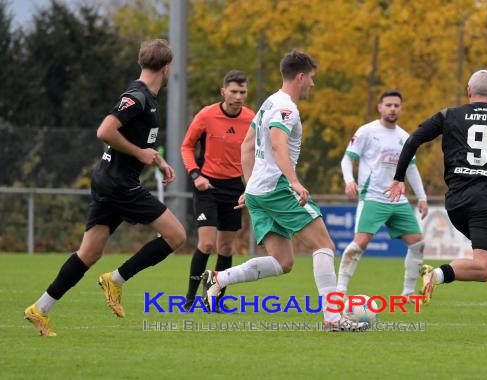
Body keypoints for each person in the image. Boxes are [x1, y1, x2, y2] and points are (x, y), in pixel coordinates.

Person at [24, 39, 186, 336]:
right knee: (177, 235)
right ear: (167, 68)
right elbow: (105, 131)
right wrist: (140, 154)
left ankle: (40, 309)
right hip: (119, 185)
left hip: (109, 181)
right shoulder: (137, 96)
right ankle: (116, 279)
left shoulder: (145, 97)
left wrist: (157, 160)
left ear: (142, 63)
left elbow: (136, 141)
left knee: (88, 253)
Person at [201, 50, 368, 331]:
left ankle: (220, 279)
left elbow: (246, 146)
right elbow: (278, 144)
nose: (312, 85)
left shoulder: (269, 102)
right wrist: (293, 181)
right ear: (300, 77)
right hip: (277, 187)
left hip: (259, 190)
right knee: (324, 245)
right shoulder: (286, 108)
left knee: (283, 261)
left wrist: (250, 185)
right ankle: (333, 319)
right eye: (312, 79)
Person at [385, 69, 487, 337]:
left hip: (457, 202)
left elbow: (413, 140)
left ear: (469, 92)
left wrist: (399, 177)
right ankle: (435, 275)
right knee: (484, 268)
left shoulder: (449, 115)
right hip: (486, 203)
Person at [338, 91, 429, 301]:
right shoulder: (367, 131)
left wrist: (422, 197)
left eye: (396, 105)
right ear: (380, 107)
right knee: (359, 244)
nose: (392, 109)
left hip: (398, 200)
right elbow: (347, 159)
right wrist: (349, 181)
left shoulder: (405, 137)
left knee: (417, 243)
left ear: (401, 109)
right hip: (372, 197)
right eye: (388, 105)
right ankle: (339, 291)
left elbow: (412, 169)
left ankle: (407, 294)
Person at [180, 70, 255, 311]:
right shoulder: (206, 115)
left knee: (225, 248)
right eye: (233, 91)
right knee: (206, 244)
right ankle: (190, 299)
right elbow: (186, 146)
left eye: (242, 92)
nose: (238, 96)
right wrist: (195, 175)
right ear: (223, 92)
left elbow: (257, 154)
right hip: (207, 186)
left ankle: (214, 301)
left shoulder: (252, 119)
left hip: (234, 188)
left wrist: (251, 185)